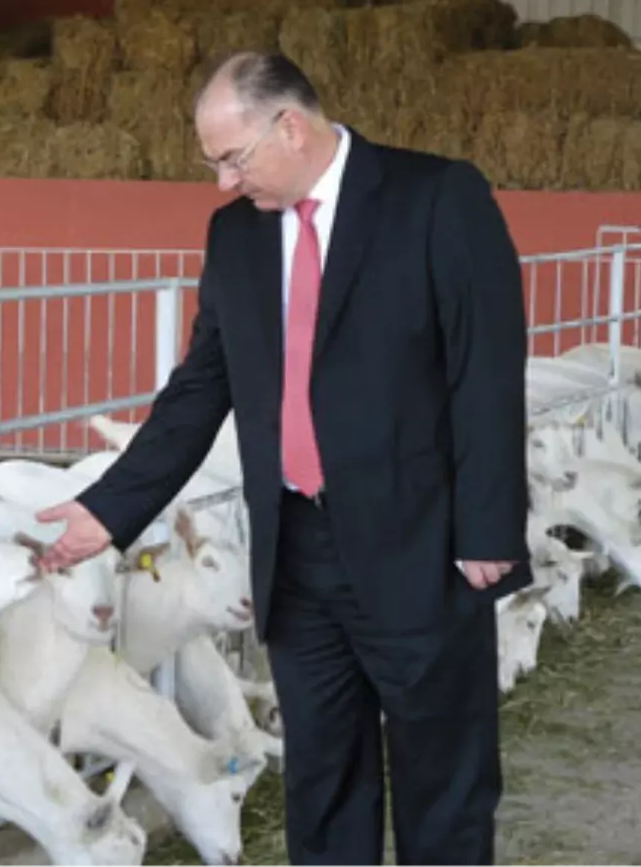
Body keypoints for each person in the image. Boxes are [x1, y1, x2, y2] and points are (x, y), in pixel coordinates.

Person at [34, 50, 531, 867]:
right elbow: (200, 386)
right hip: (298, 556)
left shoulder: (437, 198)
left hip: (425, 548)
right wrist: (109, 506)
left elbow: (485, 366)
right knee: (322, 785)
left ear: (290, 127)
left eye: (232, 159)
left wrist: (488, 527)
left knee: (444, 784)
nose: (225, 183)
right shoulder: (236, 235)